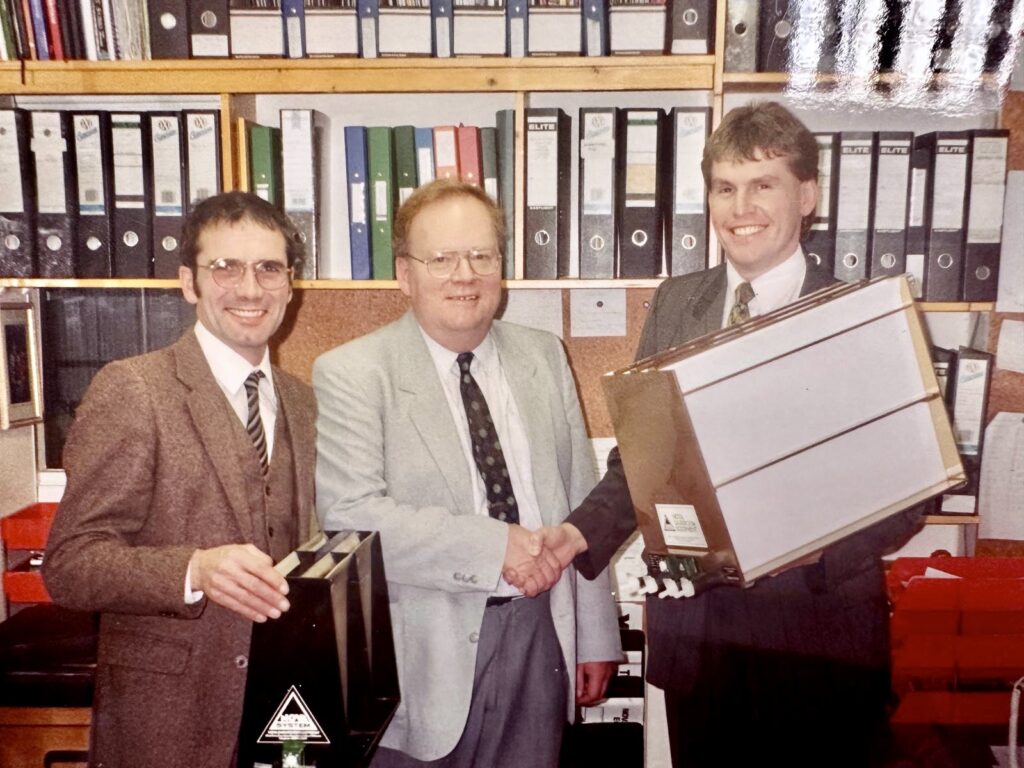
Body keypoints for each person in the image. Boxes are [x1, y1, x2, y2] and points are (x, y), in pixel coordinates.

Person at [525, 102, 924, 766]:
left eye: (763, 184)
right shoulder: (678, 303)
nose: (741, 206)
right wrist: (574, 535)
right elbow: (643, 464)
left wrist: (811, 548)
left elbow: (909, 491)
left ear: (807, 194)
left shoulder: (862, 314)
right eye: (725, 187)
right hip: (701, 637)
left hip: (816, 637)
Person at [313, 179, 622, 768]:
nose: (465, 275)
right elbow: (349, 518)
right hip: (417, 657)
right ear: (404, 274)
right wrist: (494, 546)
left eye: (482, 256)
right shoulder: (353, 371)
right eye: (442, 258)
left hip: (540, 637)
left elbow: (582, 498)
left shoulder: (544, 354)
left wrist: (596, 636)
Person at [43, 191, 318, 768]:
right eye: (226, 267)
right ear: (189, 282)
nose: (250, 289)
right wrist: (194, 569)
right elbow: (71, 565)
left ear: (290, 285)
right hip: (167, 721)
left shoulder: (305, 402)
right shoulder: (134, 389)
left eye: (269, 268)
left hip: (282, 714)